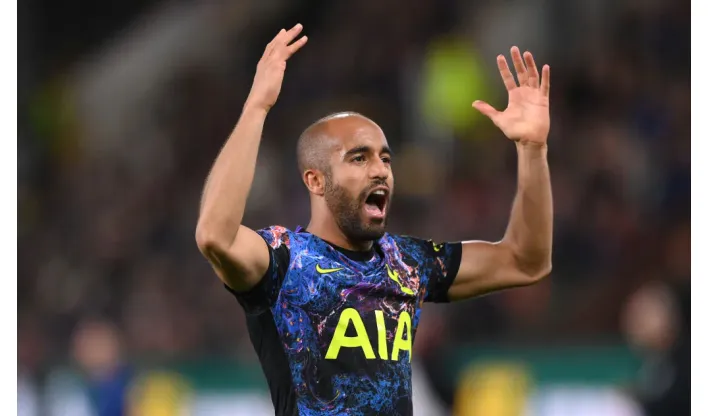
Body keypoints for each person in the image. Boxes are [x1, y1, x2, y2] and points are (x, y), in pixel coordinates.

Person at [195, 23, 553, 416]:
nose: (381, 170)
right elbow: (216, 235)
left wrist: (531, 150)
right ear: (315, 180)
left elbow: (525, 260)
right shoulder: (283, 261)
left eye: (385, 158)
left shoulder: (407, 264)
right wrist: (257, 107)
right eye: (359, 157)